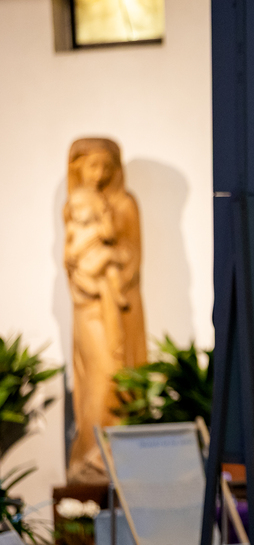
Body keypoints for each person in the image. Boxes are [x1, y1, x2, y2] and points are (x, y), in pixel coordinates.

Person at [64, 137, 147, 484]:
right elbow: (70, 256)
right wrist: (88, 278)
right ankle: (91, 454)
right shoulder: (74, 205)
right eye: (92, 166)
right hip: (88, 306)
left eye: (106, 167)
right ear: (77, 168)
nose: (99, 174)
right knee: (99, 372)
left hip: (120, 305)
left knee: (118, 373)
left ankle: (117, 453)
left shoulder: (125, 204)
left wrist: (113, 270)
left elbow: (134, 255)